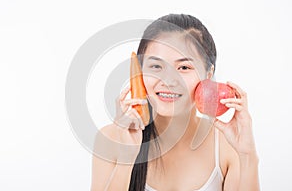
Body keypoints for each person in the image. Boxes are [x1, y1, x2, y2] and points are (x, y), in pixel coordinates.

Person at [91, 14, 260, 191]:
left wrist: (247, 156)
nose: (169, 80)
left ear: (208, 74)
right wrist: (126, 158)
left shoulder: (227, 145)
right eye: (156, 66)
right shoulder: (111, 139)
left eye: (184, 68)